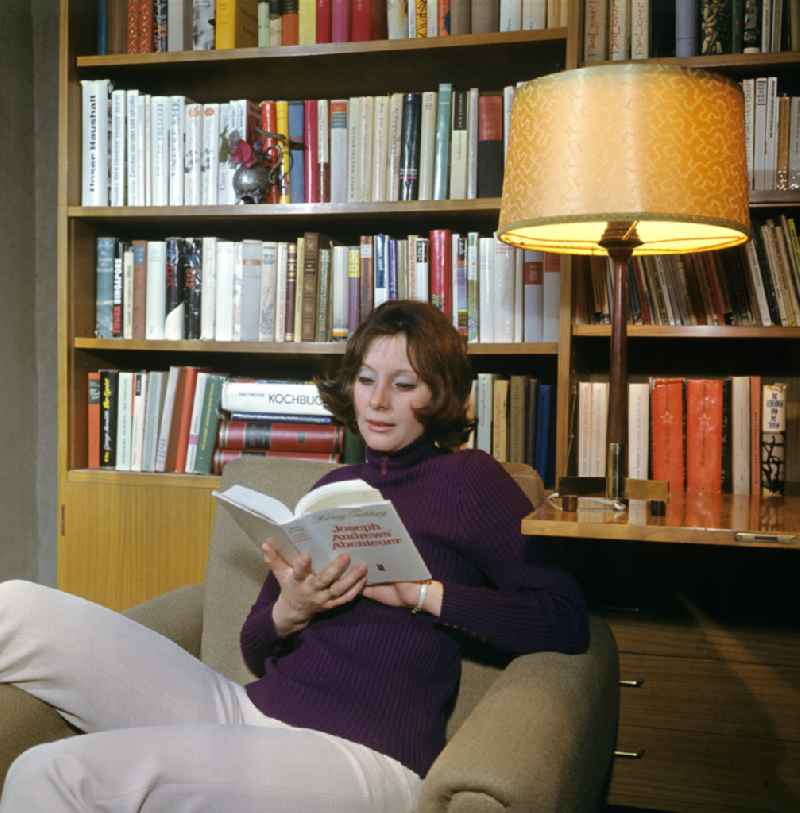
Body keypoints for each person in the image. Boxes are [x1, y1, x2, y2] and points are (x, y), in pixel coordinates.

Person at [0, 300, 588, 812]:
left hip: (362, 756)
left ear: (438, 395)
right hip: (245, 713)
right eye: (365, 379)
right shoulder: (331, 487)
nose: (379, 401)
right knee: (15, 606)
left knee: (46, 771)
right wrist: (292, 608)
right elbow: (256, 645)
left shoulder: (469, 480)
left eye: (404, 385)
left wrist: (421, 594)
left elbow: (562, 619)